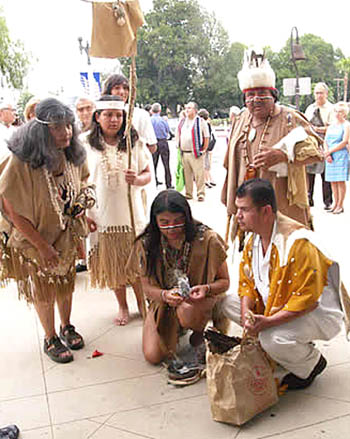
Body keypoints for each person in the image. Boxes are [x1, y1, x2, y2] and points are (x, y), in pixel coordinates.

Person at [220, 178, 349, 390]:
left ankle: (311, 364)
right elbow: (247, 283)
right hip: (277, 305)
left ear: (265, 211)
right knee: (229, 304)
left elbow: (307, 301)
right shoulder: (254, 239)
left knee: (271, 339)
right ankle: (289, 347)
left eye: (244, 209)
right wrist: (246, 315)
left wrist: (266, 323)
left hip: (317, 315)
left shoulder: (299, 243)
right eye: (238, 209)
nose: (238, 216)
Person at [0, 98, 96, 363]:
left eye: (67, 126)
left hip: (66, 235)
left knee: (65, 285)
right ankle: (50, 337)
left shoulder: (72, 154)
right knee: (44, 289)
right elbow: (12, 210)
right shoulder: (20, 162)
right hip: (35, 239)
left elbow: (84, 181)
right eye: (56, 127)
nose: (65, 132)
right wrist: (41, 245)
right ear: (41, 130)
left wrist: (83, 211)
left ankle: (67, 326)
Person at [132, 189, 229, 384]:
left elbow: (225, 282)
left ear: (187, 216)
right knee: (153, 356)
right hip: (163, 302)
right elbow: (147, 288)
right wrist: (165, 295)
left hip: (198, 302)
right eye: (164, 223)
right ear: (155, 221)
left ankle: (200, 333)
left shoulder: (206, 238)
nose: (172, 228)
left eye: (178, 221)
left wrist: (206, 289)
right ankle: (176, 327)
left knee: (187, 311)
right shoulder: (147, 243)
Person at [222, 49, 323, 229]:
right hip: (247, 206)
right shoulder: (241, 119)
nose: (256, 99)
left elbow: (317, 153)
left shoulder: (290, 119)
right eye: (250, 95)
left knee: (284, 250)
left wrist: (284, 155)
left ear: (273, 96)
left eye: (262, 93)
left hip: (281, 204)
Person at [85, 95, 151, 326]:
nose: (114, 120)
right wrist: (84, 215)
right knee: (113, 265)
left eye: (118, 115)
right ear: (98, 117)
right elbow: (80, 181)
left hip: (131, 215)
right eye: (108, 115)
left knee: (136, 263)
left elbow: (147, 173)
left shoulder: (134, 142)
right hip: (101, 215)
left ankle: (143, 304)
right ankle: (123, 306)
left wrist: (138, 179)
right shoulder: (85, 145)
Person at [102, 74, 157, 213]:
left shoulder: (140, 115)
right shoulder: (100, 112)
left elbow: (152, 146)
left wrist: (135, 157)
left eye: (126, 88)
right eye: (117, 88)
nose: (122, 92)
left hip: (137, 169)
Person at [305, 82, 334, 209]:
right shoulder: (310, 108)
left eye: (321, 93)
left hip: (326, 141)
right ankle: (308, 198)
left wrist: (317, 129)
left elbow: (333, 127)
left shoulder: (331, 108)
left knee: (325, 173)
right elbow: (305, 123)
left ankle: (328, 201)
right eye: (316, 93)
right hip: (311, 141)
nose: (318, 95)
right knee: (308, 171)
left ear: (326, 94)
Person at [176, 102, 209, 202]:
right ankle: (188, 193)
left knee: (199, 174)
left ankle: (200, 193)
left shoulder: (200, 121)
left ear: (195, 110)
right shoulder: (182, 121)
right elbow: (178, 134)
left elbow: (206, 136)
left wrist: (204, 149)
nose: (187, 110)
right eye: (186, 108)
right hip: (184, 152)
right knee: (187, 174)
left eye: (189, 108)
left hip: (196, 152)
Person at [324, 101, 350, 214]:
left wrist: (331, 151)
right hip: (330, 155)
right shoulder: (331, 126)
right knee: (332, 181)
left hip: (340, 154)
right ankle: (334, 204)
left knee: (340, 181)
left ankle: (340, 205)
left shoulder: (346, 125)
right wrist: (327, 153)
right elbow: (325, 140)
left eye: (340, 112)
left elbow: (344, 141)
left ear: (344, 114)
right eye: (336, 111)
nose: (337, 114)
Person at [151, 102, 173, 188]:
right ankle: (168, 184)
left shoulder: (150, 120)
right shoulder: (163, 120)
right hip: (163, 142)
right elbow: (168, 130)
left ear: (152, 111)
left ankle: (154, 182)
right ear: (160, 110)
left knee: (153, 164)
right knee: (166, 164)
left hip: (153, 142)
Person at [198, 108, 216, 188]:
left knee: (204, 164)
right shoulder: (208, 123)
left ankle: (206, 180)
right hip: (210, 146)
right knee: (207, 164)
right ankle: (210, 179)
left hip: (205, 146)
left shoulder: (203, 124)